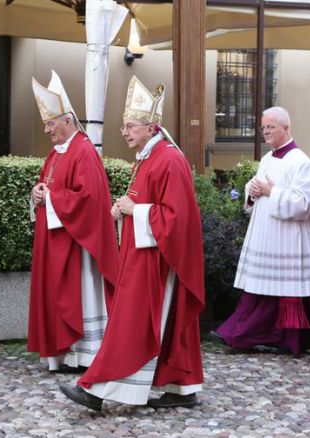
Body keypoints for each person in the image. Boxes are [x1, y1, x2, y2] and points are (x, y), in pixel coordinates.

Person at [59, 75, 205, 411]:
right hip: (143, 256)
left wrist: (135, 211)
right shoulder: (147, 157)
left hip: (159, 262)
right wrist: (124, 210)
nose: (124, 133)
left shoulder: (169, 159)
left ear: (152, 126)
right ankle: (181, 388)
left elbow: (178, 218)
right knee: (147, 324)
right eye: (123, 126)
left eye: (130, 126)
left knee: (133, 324)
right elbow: (147, 202)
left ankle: (100, 391)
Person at [210, 106, 310, 357]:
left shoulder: (301, 163)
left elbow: (304, 204)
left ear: (286, 128)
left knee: (285, 291)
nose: (265, 131)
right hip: (267, 237)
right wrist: (251, 192)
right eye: (263, 127)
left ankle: (279, 337)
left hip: (289, 240)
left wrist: (270, 192)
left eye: (271, 127)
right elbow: (258, 188)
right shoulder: (268, 159)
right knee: (262, 289)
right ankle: (255, 334)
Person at [28, 70, 119, 373]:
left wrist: (51, 196)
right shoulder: (56, 153)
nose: (46, 130)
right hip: (56, 241)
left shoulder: (84, 151)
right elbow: (49, 186)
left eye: (50, 123)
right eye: (45, 124)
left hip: (78, 247)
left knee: (78, 296)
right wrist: (38, 192)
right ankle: (62, 353)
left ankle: (84, 353)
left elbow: (89, 200)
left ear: (67, 120)